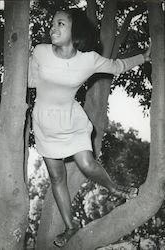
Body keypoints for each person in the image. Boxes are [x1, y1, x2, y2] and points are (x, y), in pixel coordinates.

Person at [28, 8, 150, 248]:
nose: (53, 27)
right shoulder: (41, 52)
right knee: (56, 177)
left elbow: (117, 66)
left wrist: (144, 57)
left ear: (75, 30)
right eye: (52, 23)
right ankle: (70, 226)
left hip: (71, 121)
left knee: (86, 163)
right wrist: (24, 62)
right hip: (45, 124)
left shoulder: (88, 60)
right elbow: (31, 81)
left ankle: (115, 188)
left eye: (60, 23)